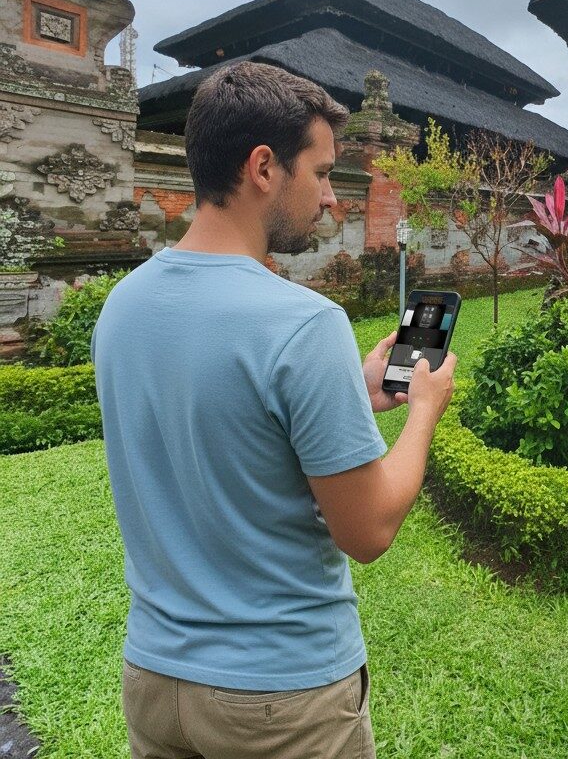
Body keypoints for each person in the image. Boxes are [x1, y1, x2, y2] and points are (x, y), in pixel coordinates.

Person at [92, 60, 457, 759]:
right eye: (321, 173)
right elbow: (369, 530)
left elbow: (219, 417)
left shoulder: (123, 306)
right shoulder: (302, 323)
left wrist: (348, 387)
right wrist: (423, 410)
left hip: (154, 682)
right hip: (281, 700)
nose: (332, 198)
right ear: (263, 168)